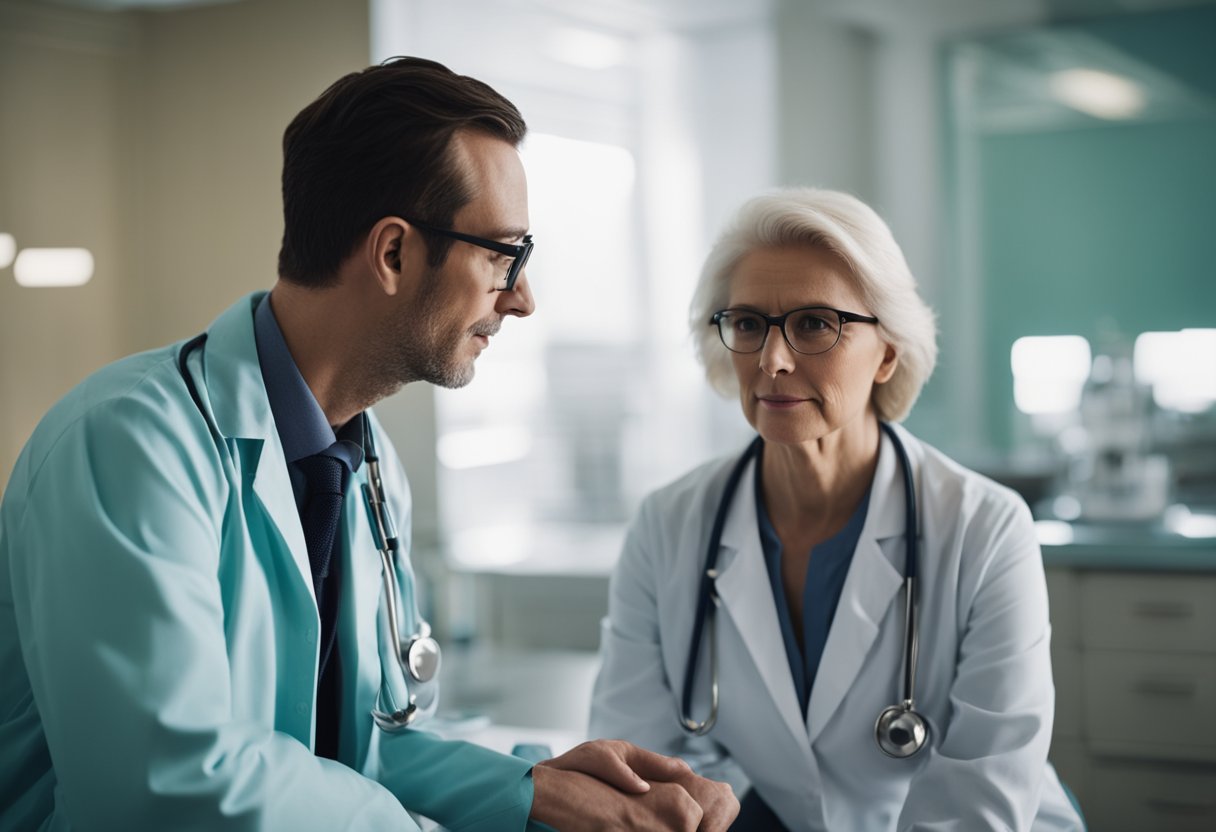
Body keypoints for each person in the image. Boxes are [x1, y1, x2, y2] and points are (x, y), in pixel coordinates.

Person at [0, 57, 737, 832]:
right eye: (502, 255)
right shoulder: (130, 445)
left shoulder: (368, 465)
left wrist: (536, 792)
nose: (521, 298)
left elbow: (365, 749)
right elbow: (168, 783)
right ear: (393, 254)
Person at [589, 188, 1084, 831]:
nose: (772, 359)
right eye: (747, 323)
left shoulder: (985, 529)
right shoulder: (668, 525)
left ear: (887, 352)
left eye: (816, 323)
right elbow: (637, 764)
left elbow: (979, 805)